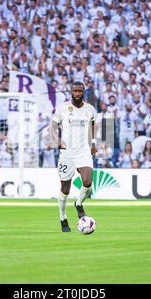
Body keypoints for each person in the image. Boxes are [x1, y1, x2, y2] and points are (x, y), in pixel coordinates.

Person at [50, 81, 98, 232]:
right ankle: (63, 218)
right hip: (67, 153)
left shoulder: (90, 109)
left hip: (83, 151)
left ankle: (78, 203)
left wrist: (94, 142)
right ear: (71, 92)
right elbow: (52, 126)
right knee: (65, 188)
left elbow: (93, 125)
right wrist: (56, 140)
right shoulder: (62, 108)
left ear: (83, 92)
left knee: (88, 181)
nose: (77, 93)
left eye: (80, 91)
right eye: (75, 91)